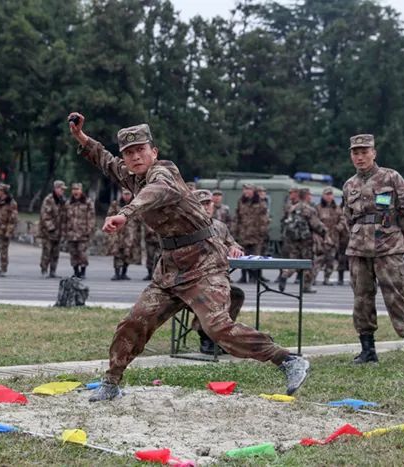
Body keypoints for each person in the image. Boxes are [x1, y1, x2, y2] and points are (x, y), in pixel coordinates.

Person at [68, 114, 309, 400]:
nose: (134, 157)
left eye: (140, 150)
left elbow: (152, 194)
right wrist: (81, 137)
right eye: (129, 153)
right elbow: (105, 160)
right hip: (170, 268)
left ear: (153, 152)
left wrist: (124, 213)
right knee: (134, 321)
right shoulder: (131, 175)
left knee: (217, 327)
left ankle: (288, 360)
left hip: (204, 263)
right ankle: (112, 382)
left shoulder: (164, 173)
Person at [341, 134, 404, 367]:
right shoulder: (349, 185)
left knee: (397, 297)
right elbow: (348, 218)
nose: (360, 157)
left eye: (364, 152)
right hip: (359, 250)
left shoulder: (391, 177)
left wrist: (401, 240)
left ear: (374, 153)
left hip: (388, 247)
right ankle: (367, 350)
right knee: (362, 300)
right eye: (355, 153)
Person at [191, 189, 245, 354]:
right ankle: (205, 337)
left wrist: (235, 249)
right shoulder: (186, 227)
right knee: (213, 293)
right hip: (193, 280)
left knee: (236, 294)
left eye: (209, 203)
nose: (206, 207)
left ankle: (221, 335)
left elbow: (233, 244)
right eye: (202, 204)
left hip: (219, 278)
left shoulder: (219, 226)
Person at [277, 188, 326, 293]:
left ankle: (285, 274)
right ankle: (306, 286)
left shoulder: (292, 208)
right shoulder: (308, 209)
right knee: (308, 263)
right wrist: (324, 232)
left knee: (294, 262)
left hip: (293, 240)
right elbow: (316, 225)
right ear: (306, 196)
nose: (310, 197)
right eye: (309, 195)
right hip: (306, 241)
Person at [232, 183, 269, 283]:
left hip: (255, 235)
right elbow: (237, 217)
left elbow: (264, 220)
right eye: (244, 189)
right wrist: (234, 231)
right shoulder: (241, 202)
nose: (246, 191)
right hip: (243, 234)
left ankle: (255, 277)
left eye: (248, 189)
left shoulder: (260, 203)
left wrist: (261, 233)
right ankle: (243, 276)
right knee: (243, 256)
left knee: (256, 257)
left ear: (253, 191)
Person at [106, 188, 141, 280]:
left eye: (128, 194)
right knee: (116, 252)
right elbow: (109, 215)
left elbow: (140, 219)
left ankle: (124, 272)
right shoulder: (115, 204)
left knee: (127, 252)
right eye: (125, 194)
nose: (126, 196)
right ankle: (117, 273)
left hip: (130, 233)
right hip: (117, 232)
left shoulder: (136, 204)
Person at [313, 187, 346, 286]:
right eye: (327, 194)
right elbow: (314, 221)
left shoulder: (337, 208)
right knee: (319, 259)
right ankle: (312, 277)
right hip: (322, 238)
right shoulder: (318, 208)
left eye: (330, 194)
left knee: (330, 260)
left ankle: (326, 278)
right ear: (323, 196)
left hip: (334, 238)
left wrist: (339, 227)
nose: (329, 196)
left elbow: (343, 219)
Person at [63, 182, 95, 279]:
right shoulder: (68, 203)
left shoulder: (88, 202)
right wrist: (65, 231)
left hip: (83, 233)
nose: (76, 191)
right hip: (71, 233)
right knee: (73, 253)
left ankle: (83, 271)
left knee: (82, 253)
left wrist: (89, 230)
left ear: (81, 190)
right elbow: (64, 218)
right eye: (74, 190)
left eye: (77, 189)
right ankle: (76, 271)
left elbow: (91, 218)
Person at [39, 180, 67, 278]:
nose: (63, 191)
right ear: (56, 188)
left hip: (59, 232)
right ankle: (44, 270)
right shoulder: (49, 200)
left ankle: (53, 271)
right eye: (61, 189)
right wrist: (51, 228)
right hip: (48, 232)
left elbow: (65, 215)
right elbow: (45, 216)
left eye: (63, 190)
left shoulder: (62, 200)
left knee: (56, 253)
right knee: (47, 251)